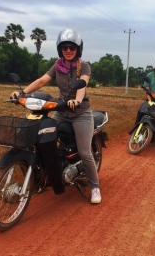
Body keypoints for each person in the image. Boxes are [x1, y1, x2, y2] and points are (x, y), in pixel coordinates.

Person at [11, 29, 102, 204]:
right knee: (44, 137)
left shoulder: (84, 66)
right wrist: (22, 93)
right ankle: (51, 173)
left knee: (84, 152)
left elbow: (82, 85)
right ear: (60, 49)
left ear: (78, 49)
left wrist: (76, 100)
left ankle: (94, 186)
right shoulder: (57, 66)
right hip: (62, 111)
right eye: (65, 47)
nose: (68, 50)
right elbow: (41, 81)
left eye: (72, 47)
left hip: (80, 113)